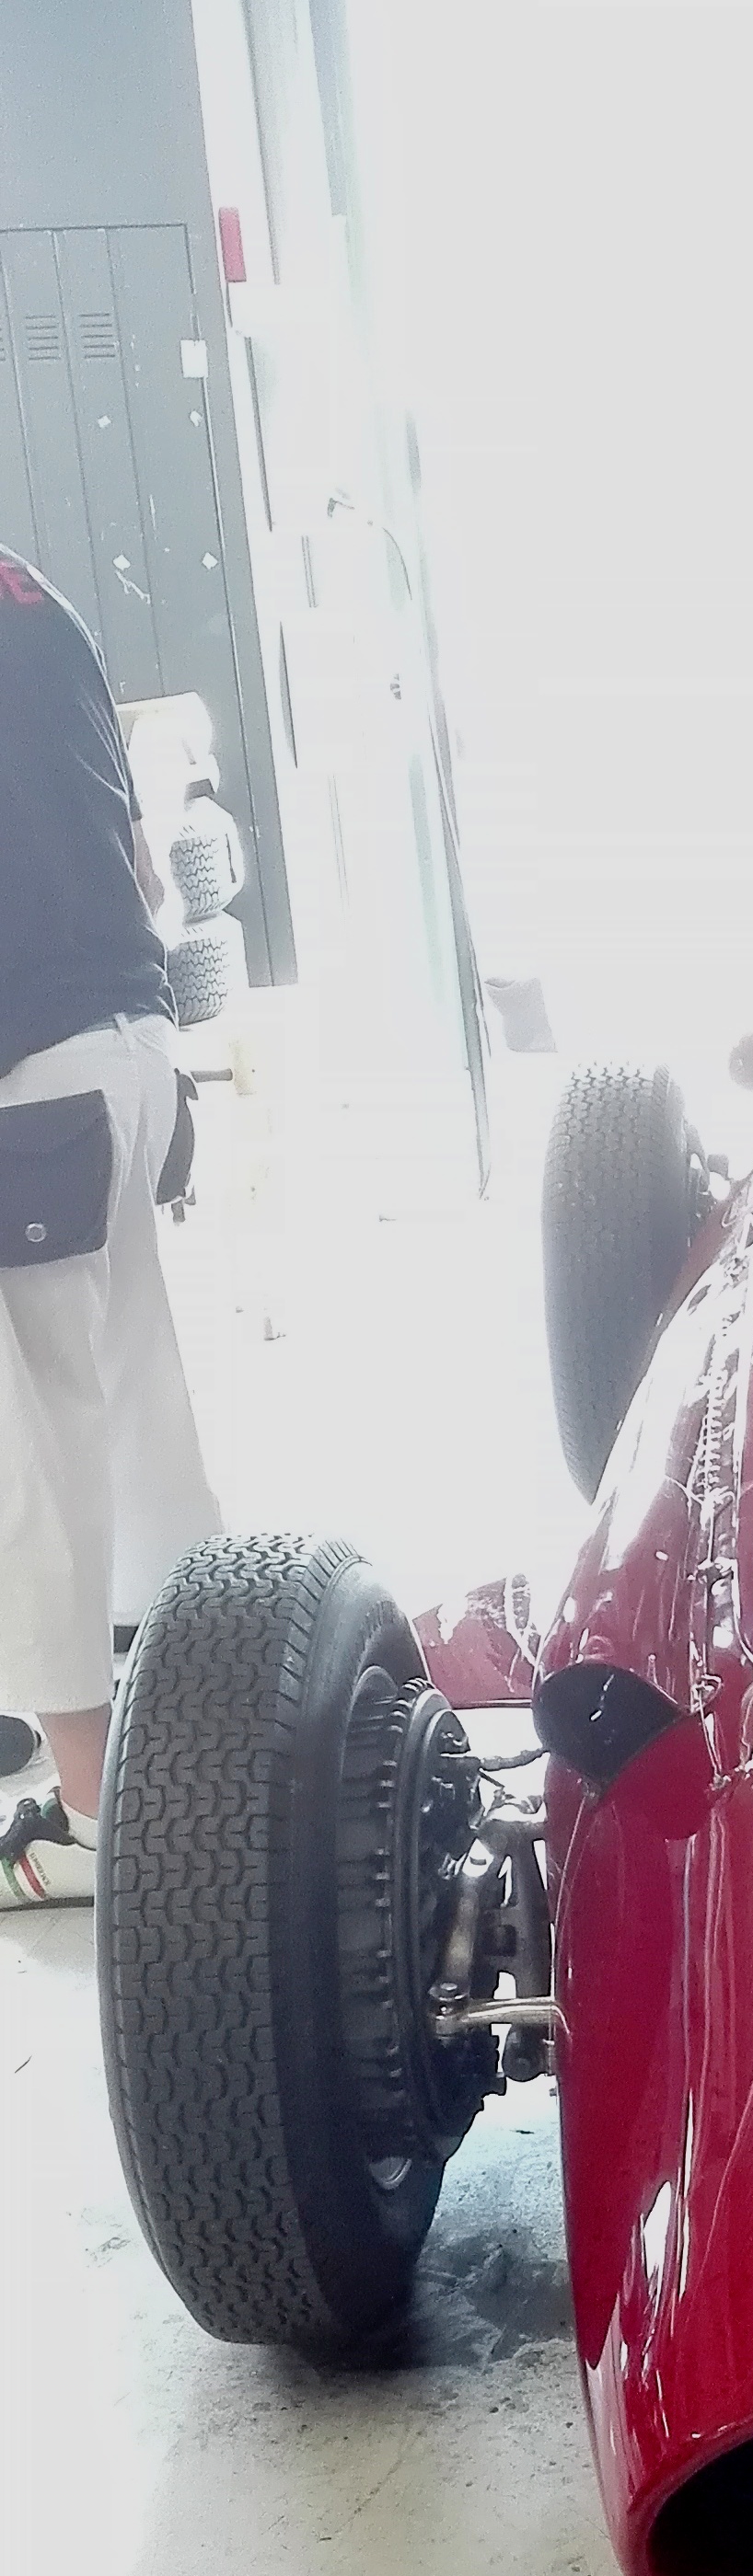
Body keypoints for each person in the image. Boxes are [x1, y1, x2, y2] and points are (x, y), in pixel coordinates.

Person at [0, 546, 221, 1904]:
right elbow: (143, 866)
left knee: (28, 1453)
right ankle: (203, 1731)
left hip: (26, 1078)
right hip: (131, 1048)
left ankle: (90, 1815)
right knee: (137, 1405)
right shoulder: (35, 594)